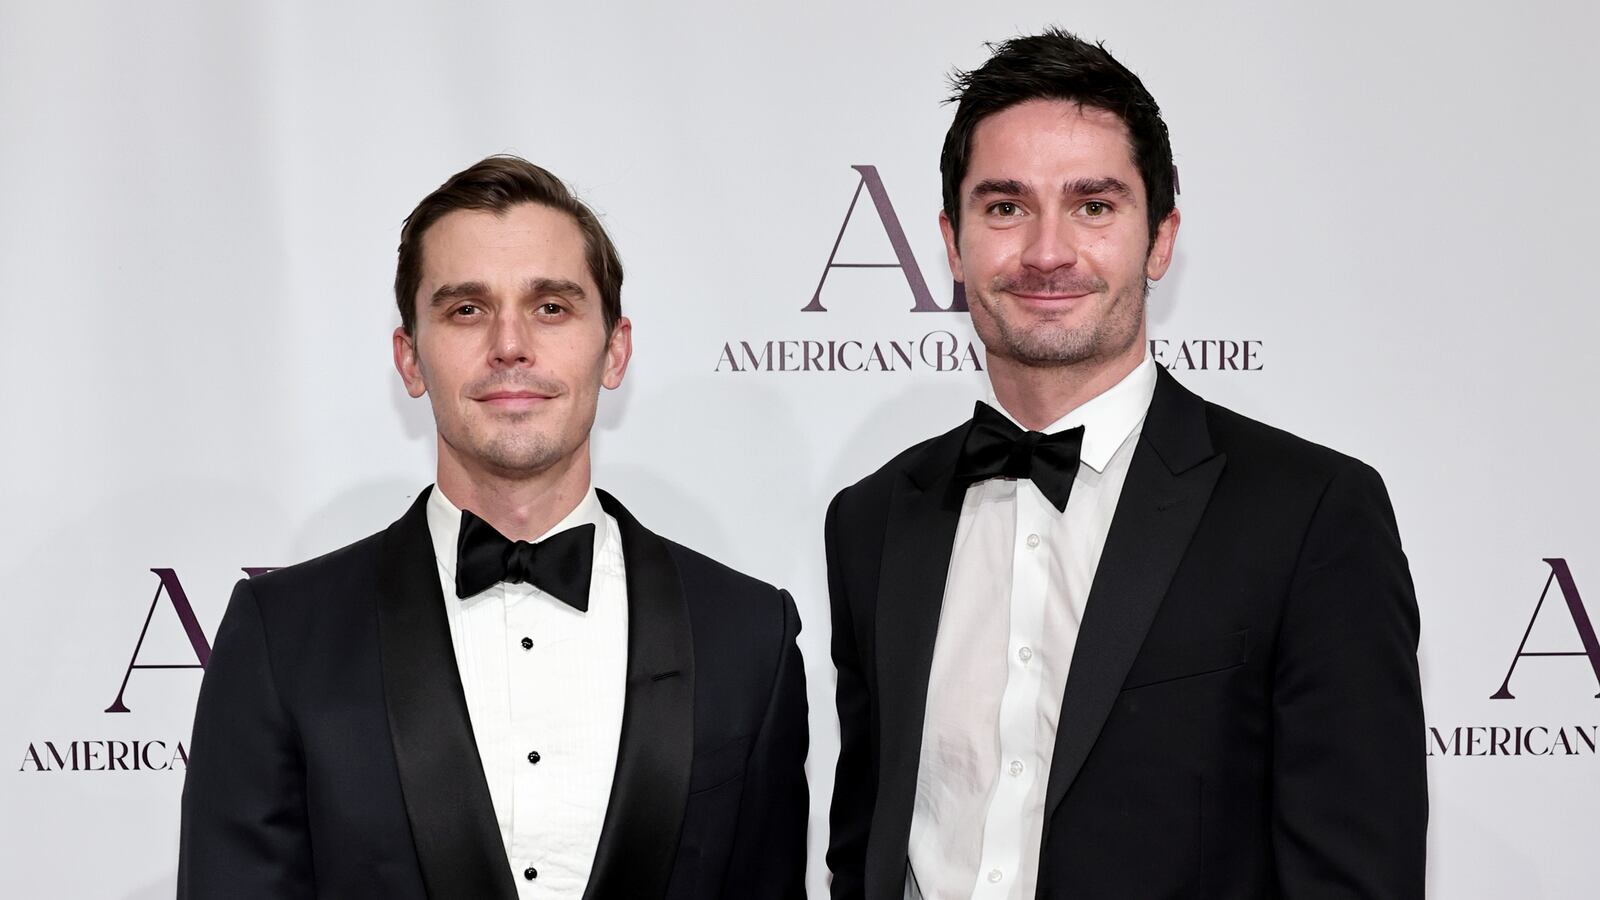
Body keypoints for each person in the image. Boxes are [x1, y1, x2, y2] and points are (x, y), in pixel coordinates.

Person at [825, 29, 1426, 900]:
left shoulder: (1311, 515)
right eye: (1005, 207)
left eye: (1094, 205)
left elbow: (1355, 876)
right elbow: (864, 850)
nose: (1046, 251)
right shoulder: (874, 520)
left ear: (1160, 239)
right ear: (951, 246)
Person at [178, 155, 808, 900]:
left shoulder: (746, 635)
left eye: (551, 307)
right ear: (410, 359)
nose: (510, 345)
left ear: (615, 350)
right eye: (466, 309)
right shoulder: (283, 639)